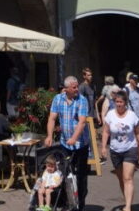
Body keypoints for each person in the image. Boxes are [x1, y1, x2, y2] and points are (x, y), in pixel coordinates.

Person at [46, 75, 89, 211]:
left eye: (77, 87)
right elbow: (52, 118)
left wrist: (75, 138)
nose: (77, 89)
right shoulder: (58, 99)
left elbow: (82, 122)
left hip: (80, 144)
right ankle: (66, 203)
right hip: (65, 143)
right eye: (74, 87)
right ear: (66, 89)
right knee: (63, 173)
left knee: (80, 175)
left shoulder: (82, 100)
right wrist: (49, 136)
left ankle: (80, 203)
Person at [101, 90, 139, 211]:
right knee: (121, 179)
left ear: (125, 103)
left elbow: (138, 133)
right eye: (116, 102)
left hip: (130, 148)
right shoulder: (110, 115)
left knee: (127, 178)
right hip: (115, 151)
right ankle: (127, 201)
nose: (118, 104)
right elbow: (105, 132)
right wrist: (103, 147)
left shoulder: (132, 115)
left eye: (121, 102)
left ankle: (128, 207)